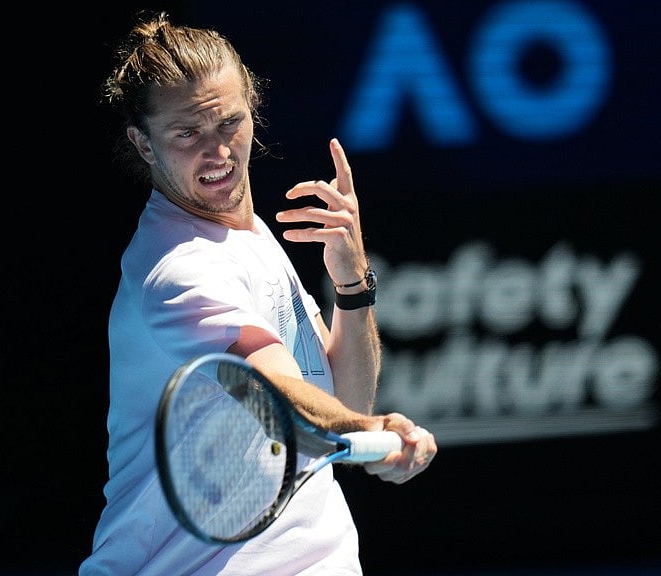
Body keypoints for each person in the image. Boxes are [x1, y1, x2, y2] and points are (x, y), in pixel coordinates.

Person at [79, 10, 437, 575]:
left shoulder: (246, 236)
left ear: (252, 109)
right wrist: (371, 433)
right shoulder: (179, 271)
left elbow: (342, 401)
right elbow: (278, 398)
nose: (218, 152)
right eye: (187, 134)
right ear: (143, 144)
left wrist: (352, 283)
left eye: (229, 123)